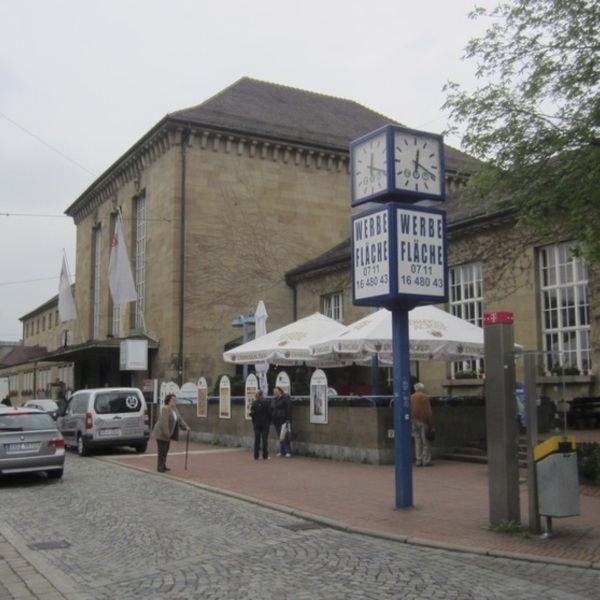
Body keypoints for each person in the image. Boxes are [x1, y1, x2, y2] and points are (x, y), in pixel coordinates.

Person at [151, 393, 190, 472]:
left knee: (166, 449)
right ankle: (160, 467)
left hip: (168, 434)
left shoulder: (175, 409)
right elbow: (163, 422)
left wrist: (186, 427)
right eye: (173, 400)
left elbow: (179, 420)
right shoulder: (165, 409)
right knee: (162, 450)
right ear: (168, 401)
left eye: (175, 400)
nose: (175, 401)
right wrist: (167, 434)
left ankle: (163, 465)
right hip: (161, 434)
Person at [410, 382, 434, 467]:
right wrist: (430, 424)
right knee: (425, 442)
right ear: (421, 388)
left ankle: (418, 460)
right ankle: (425, 460)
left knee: (417, 441)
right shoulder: (424, 397)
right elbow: (428, 411)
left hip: (413, 420)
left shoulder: (411, 397)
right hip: (423, 420)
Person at [250, 390, 272, 460]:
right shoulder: (266, 402)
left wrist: (254, 421)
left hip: (256, 423)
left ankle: (256, 455)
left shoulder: (254, 403)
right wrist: (269, 421)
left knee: (257, 439)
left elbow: (252, 414)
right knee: (264, 439)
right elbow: (269, 413)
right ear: (262, 395)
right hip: (265, 423)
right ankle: (265, 455)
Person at [272, 386, 293, 457]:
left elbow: (288, 409)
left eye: (276, 391)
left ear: (280, 391)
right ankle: (281, 450)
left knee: (284, 435)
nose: (275, 393)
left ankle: (287, 451)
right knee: (280, 436)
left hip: (283, 419)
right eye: (274, 392)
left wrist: (288, 419)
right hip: (276, 420)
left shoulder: (285, 399)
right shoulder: (274, 400)